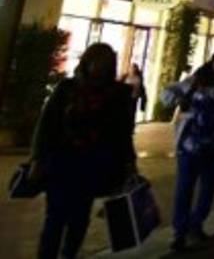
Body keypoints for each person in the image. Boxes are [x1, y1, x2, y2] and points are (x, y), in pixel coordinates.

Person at [31, 43, 136, 259]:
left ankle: (69, 254)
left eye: (105, 63)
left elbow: (122, 134)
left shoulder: (116, 95)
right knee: (55, 217)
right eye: (95, 61)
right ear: (86, 62)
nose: (99, 67)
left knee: (79, 218)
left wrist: (129, 163)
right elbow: (47, 124)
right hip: (62, 161)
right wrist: (38, 158)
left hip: (93, 165)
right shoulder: (67, 88)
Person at [162, 48, 214, 251]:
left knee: (207, 188)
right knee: (184, 188)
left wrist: (200, 90)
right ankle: (180, 230)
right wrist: (176, 98)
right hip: (190, 144)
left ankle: (196, 223)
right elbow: (170, 92)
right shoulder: (197, 78)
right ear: (212, 61)